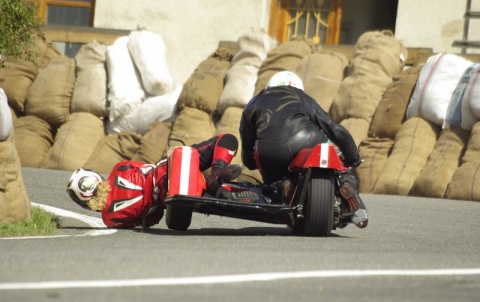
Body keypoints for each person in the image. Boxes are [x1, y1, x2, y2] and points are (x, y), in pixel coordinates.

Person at [239, 71, 368, 228]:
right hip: (306, 140)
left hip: (270, 150)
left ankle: (281, 187)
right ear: (298, 88)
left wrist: (255, 159)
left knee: (271, 182)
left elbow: (249, 159)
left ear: (269, 86)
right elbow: (335, 130)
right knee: (340, 164)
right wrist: (353, 158)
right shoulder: (303, 98)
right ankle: (346, 183)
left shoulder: (254, 103)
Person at [66, 134, 258, 228]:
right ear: (94, 176)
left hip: (168, 198)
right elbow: (146, 166)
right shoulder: (119, 169)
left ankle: (212, 186)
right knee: (227, 139)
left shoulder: (110, 219)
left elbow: (150, 220)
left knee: (176, 222)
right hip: (168, 169)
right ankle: (217, 171)